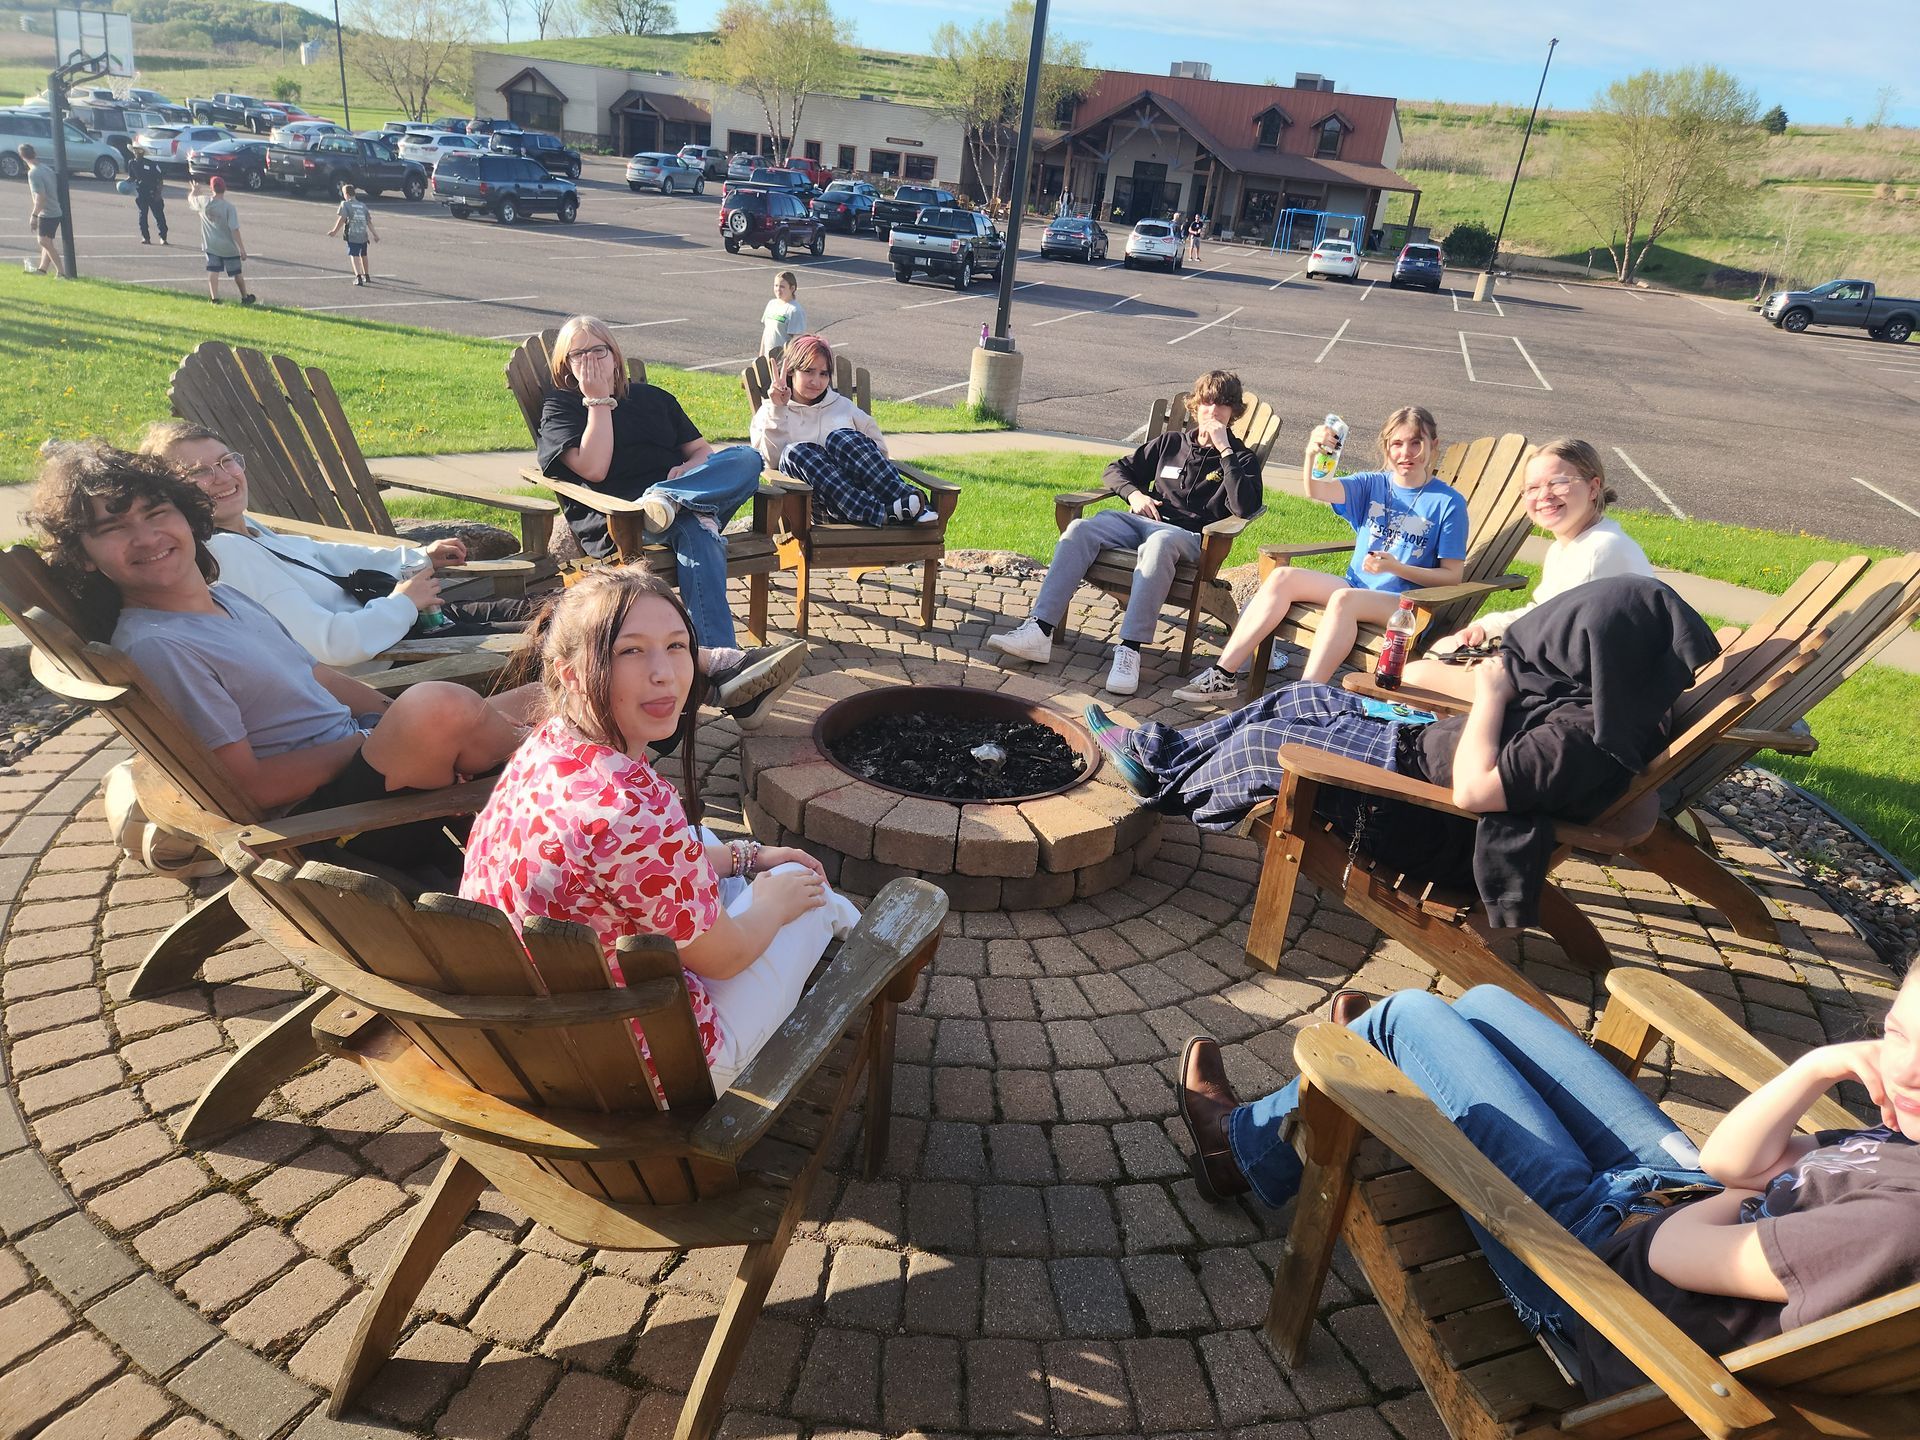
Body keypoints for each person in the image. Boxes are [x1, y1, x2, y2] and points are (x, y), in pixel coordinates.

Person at [1179, 969, 1920, 1401]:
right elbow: (1730, 1164)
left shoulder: (1897, 1228)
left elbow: (1676, 1255)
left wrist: (1738, 1194)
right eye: (1899, 1033)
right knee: (1486, 1003)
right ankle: (1384, 1060)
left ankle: (1239, 1152)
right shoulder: (1903, 1145)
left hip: (1592, 1270)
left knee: (1408, 1015)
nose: (1904, 1070)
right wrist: (1818, 1064)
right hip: (1671, 1188)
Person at [1088, 576, 1719, 930]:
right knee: (1299, 701)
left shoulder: (1582, 742)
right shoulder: (1607, 698)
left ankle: (1164, 786)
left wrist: (1495, 692)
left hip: (1419, 803)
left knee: (1269, 744)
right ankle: (1163, 752)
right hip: (1412, 747)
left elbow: (1475, 793)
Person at [25, 442, 536, 875]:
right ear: (85, 555)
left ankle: (529, 771)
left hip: (369, 765)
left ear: (187, 517)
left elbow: (311, 671)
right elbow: (251, 786)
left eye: (157, 513)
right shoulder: (160, 646)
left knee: (546, 695)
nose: (146, 537)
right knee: (439, 706)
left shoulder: (226, 598)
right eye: (113, 528)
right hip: (336, 819)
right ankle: (541, 778)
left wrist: (384, 717)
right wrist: (378, 736)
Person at [461, 568, 860, 1091]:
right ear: (572, 672)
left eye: (676, 647)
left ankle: (808, 910)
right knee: (808, 896)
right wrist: (774, 901)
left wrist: (748, 857)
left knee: (713, 844)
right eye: (630, 652)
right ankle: (858, 941)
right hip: (653, 1065)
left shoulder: (549, 743)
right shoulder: (628, 809)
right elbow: (724, 959)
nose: (665, 674)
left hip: (544, 1024)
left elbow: (649, 862)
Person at [136, 420, 807, 726]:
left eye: (226, 459)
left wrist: (416, 558)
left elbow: (335, 558)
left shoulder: (247, 532)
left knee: (568, 603)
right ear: (172, 494)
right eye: (200, 473)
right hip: (392, 647)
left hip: (406, 617)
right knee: (581, 629)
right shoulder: (232, 561)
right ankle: (713, 673)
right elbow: (329, 647)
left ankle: (713, 671)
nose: (223, 476)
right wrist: (404, 600)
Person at [986, 369, 1264, 696]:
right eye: (1207, 403)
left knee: (1160, 542)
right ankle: (1039, 631)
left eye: (1222, 405)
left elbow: (1246, 508)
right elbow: (1115, 470)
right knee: (1080, 530)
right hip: (1142, 522)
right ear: (1195, 406)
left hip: (1188, 537)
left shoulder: (1240, 458)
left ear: (1233, 413)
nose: (1212, 411)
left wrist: (1225, 451)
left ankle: (1129, 649)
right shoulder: (1171, 443)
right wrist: (1135, 494)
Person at [1173, 406, 1467, 704]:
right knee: (1283, 577)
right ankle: (1224, 674)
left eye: (1416, 443)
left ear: (1434, 445)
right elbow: (1317, 489)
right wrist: (1313, 453)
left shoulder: (1448, 503)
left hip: (1406, 606)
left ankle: (1303, 697)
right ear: (1387, 447)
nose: (1407, 453)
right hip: (1356, 587)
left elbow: (1452, 576)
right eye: (1397, 443)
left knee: (1343, 599)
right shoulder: (1373, 484)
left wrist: (1397, 568)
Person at [536, 315, 765, 651]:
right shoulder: (560, 408)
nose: (590, 361)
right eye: (579, 355)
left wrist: (688, 470)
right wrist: (598, 401)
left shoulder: (653, 398)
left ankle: (671, 499)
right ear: (565, 366)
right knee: (700, 534)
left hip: (674, 508)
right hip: (623, 521)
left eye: (598, 351)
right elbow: (595, 469)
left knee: (748, 459)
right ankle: (720, 661)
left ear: (615, 355)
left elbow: (701, 451)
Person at [1400, 439, 1656, 703]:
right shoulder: (1571, 545)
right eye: (1532, 488)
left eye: (1558, 482)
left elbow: (1562, 648)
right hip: (1564, 675)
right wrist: (1487, 628)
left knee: (1414, 677)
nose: (1544, 495)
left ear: (1593, 488)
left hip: (1583, 696)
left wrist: (1492, 659)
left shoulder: (1598, 551)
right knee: (1444, 649)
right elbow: (1543, 612)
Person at [749, 334, 935, 527]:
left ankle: (913, 505)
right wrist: (779, 409)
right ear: (792, 372)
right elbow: (769, 462)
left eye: (824, 373)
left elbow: (880, 453)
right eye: (808, 371)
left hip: (868, 496)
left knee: (841, 438)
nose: (816, 381)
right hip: (814, 511)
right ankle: (883, 513)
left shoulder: (844, 408)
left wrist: (845, 460)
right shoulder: (770, 411)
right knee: (795, 452)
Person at [188, 176, 255, 306]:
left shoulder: (204, 202)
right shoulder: (229, 207)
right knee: (237, 273)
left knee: (213, 270)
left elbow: (191, 200)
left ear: (211, 188)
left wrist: (194, 190)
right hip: (228, 247)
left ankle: (215, 298)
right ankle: (244, 296)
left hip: (211, 244)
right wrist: (242, 248)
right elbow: (234, 229)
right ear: (225, 188)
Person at [20, 144, 65, 278]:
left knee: (43, 241)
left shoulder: (33, 173)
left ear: (22, 157)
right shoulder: (46, 168)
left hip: (47, 212)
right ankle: (42, 269)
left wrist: (34, 215)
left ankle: (61, 272)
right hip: (55, 210)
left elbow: (40, 197)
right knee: (48, 241)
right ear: (35, 153)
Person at [328, 183, 378, 286]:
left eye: (343, 194)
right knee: (363, 254)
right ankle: (366, 275)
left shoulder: (345, 204)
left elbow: (342, 219)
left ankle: (358, 277)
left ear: (346, 194)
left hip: (353, 234)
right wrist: (375, 234)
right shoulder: (362, 205)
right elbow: (369, 221)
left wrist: (334, 231)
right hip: (363, 235)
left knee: (354, 255)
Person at [759, 270, 806, 357]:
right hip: (767, 358)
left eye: (782, 287)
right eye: (776, 285)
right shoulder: (771, 304)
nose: (778, 289)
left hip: (783, 361)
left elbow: (796, 342)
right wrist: (761, 356)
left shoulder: (795, 310)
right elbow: (766, 332)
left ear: (792, 288)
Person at [128, 152, 168, 246]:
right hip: (141, 192)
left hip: (152, 192)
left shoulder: (151, 164)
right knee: (143, 215)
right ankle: (145, 237)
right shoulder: (131, 163)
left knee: (159, 215)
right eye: (135, 151)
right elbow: (132, 177)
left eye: (139, 151)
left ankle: (163, 237)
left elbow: (160, 179)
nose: (137, 153)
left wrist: (158, 193)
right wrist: (125, 183)